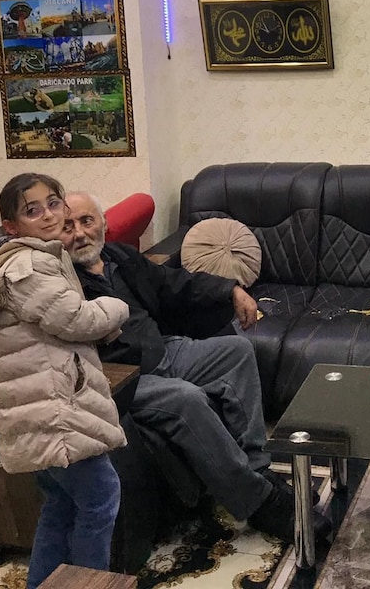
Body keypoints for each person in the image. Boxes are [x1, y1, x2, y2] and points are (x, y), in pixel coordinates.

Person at [61, 191, 328, 544]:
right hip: (124, 378)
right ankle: (259, 503)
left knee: (236, 351)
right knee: (186, 398)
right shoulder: (63, 282)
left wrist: (230, 290)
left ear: (103, 223)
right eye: (68, 226)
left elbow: (171, 283)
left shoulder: (119, 257)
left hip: (163, 352)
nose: (80, 233)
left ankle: (258, 468)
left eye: (86, 221)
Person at [0, 174, 130, 589]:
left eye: (53, 203)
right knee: (101, 497)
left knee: (60, 505)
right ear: (12, 226)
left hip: (44, 405)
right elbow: (76, 319)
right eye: (33, 211)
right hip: (54, 410)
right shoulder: (28, 267)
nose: (49, 215)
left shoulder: (37, 257)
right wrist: (116, 306)